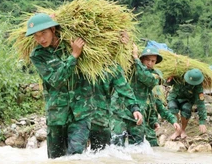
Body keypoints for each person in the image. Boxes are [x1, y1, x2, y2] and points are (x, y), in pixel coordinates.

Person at [25, 13, 94, 158]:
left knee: (76, 156)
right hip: (57, 115)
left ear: (53, 30)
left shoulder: (70, 42)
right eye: (36, 36)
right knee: (56, 159)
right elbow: (56, 80)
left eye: (43, 33)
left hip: (80, 112)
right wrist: (74, 56)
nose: (41, 39)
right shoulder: (38, 55)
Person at [89, 32, 143, 151]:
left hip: (100, 120)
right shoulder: (79, 61)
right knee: (73, 156)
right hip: (78, 119)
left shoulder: (112, 68)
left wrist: (135, 108)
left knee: (101, 156)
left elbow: (124, 89)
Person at [127, 45, 164, 145]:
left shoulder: (155, 75)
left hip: (139, 114)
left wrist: (135, 58)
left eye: (153, 61)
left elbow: (145, 77)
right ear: (142, 59)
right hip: (124, 110)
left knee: (136, 145)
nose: (149, 63)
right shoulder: (133, 69)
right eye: (147, 60)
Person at [167, 68, 207, 139]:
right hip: (174, 97)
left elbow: (200, 103)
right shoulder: (178, 75)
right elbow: (166, 82)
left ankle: (182, 130)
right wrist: (169, 78)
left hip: (187, 100)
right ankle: (177, 130)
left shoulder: (198, 86)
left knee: (186, 110)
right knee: (172, 107)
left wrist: (202, 121)